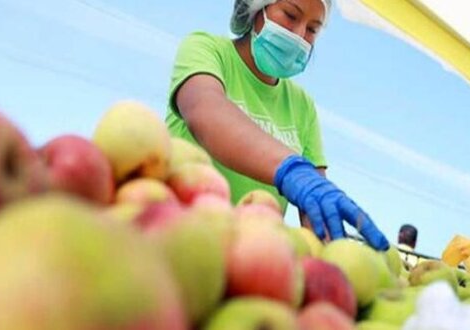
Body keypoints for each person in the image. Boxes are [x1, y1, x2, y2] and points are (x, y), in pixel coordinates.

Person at [165, 0, 389, 250]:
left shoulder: (302, 106)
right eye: (291, 15)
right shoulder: (207, 50)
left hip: (252, 262)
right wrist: (289, 168)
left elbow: (314, 204)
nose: (299, 36)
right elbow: (204, 110)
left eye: (312, 29)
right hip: (177, 241)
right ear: (256, 8)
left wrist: (336, 255)